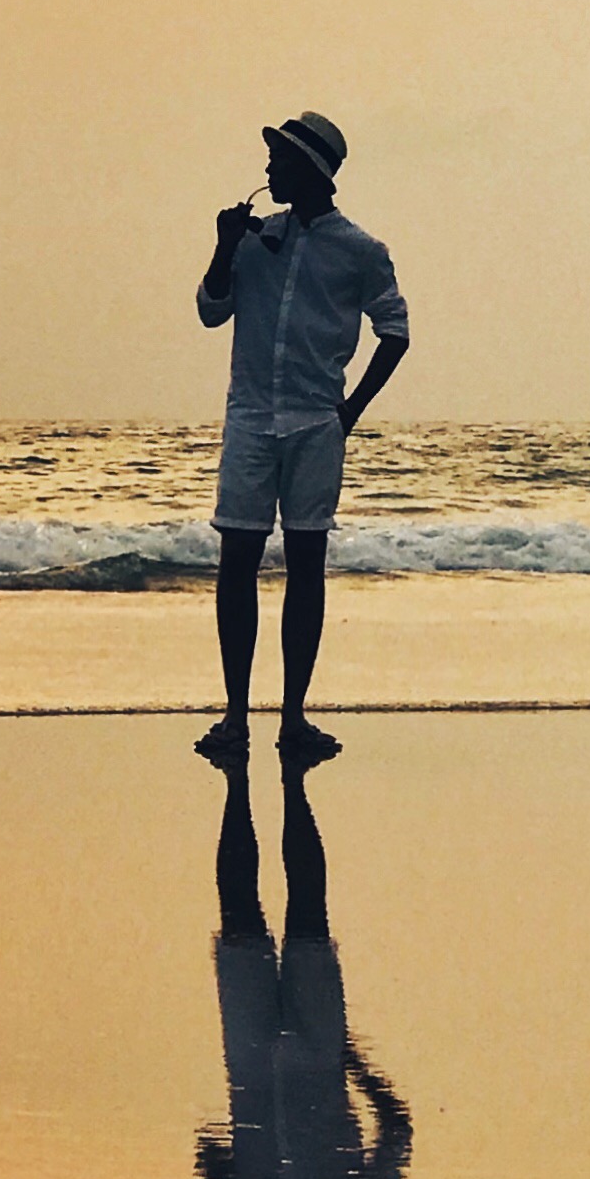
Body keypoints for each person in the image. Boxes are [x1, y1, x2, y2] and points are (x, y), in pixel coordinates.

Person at [195, 110, 409, 760]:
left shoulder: (361, 251)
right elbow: (210, 311)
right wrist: (224, 245)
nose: (268, 170)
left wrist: (349, 412)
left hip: (317, 422)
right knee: (237, 561)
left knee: (306, 565)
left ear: (310, 170)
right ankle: (236, 715)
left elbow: (395, 332)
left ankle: (292, 717)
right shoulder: (256, 237)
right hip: (251, 418)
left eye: (280, 161)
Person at [195, 742, 414, 1179]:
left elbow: (205, 1155)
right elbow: (399, 1128)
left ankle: (245, 786)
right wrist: (352, 1063)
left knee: (253, 914)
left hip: (270, 1059)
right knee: (299, 914)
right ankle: (282, 786)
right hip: (310, 1058)